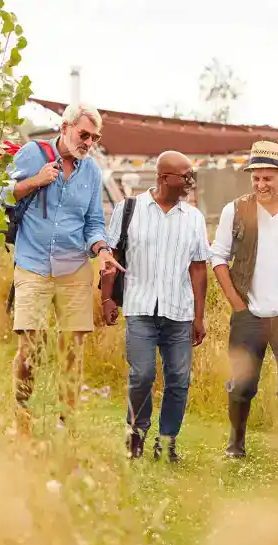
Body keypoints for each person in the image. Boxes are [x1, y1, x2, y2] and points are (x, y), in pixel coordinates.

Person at [6, 103, 124, 435]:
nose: (88, 142)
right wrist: (34, 182)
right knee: (29, 348)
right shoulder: (33, 154)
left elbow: (94, 223)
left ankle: (66, 423)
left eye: (95, 138)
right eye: (83, 134)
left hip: (74, 267)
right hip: (33, 264)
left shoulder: (92, 172)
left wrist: (101, 250)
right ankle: (22, 417)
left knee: (73, 350)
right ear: (65, 127)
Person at [209, 140, 278, 474]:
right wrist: (236, 302)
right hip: (248, 312)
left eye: (267, 178)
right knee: (243, 384)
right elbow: (218, 256)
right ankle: (236, 444)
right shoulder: (236, 210)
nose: (260, 184)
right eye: (255, 178)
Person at [101, 151, 210, 462]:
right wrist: (107, 298)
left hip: (179, 311)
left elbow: (199, 267)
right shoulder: (128, 209)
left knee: (179, 379)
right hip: (139, 307)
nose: (190, 181)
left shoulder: (194, 218)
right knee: (142, 375)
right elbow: (113, 257)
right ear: (163, 178)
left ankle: (167, 440)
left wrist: (199, 316)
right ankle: (136, 433)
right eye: (185, 176)